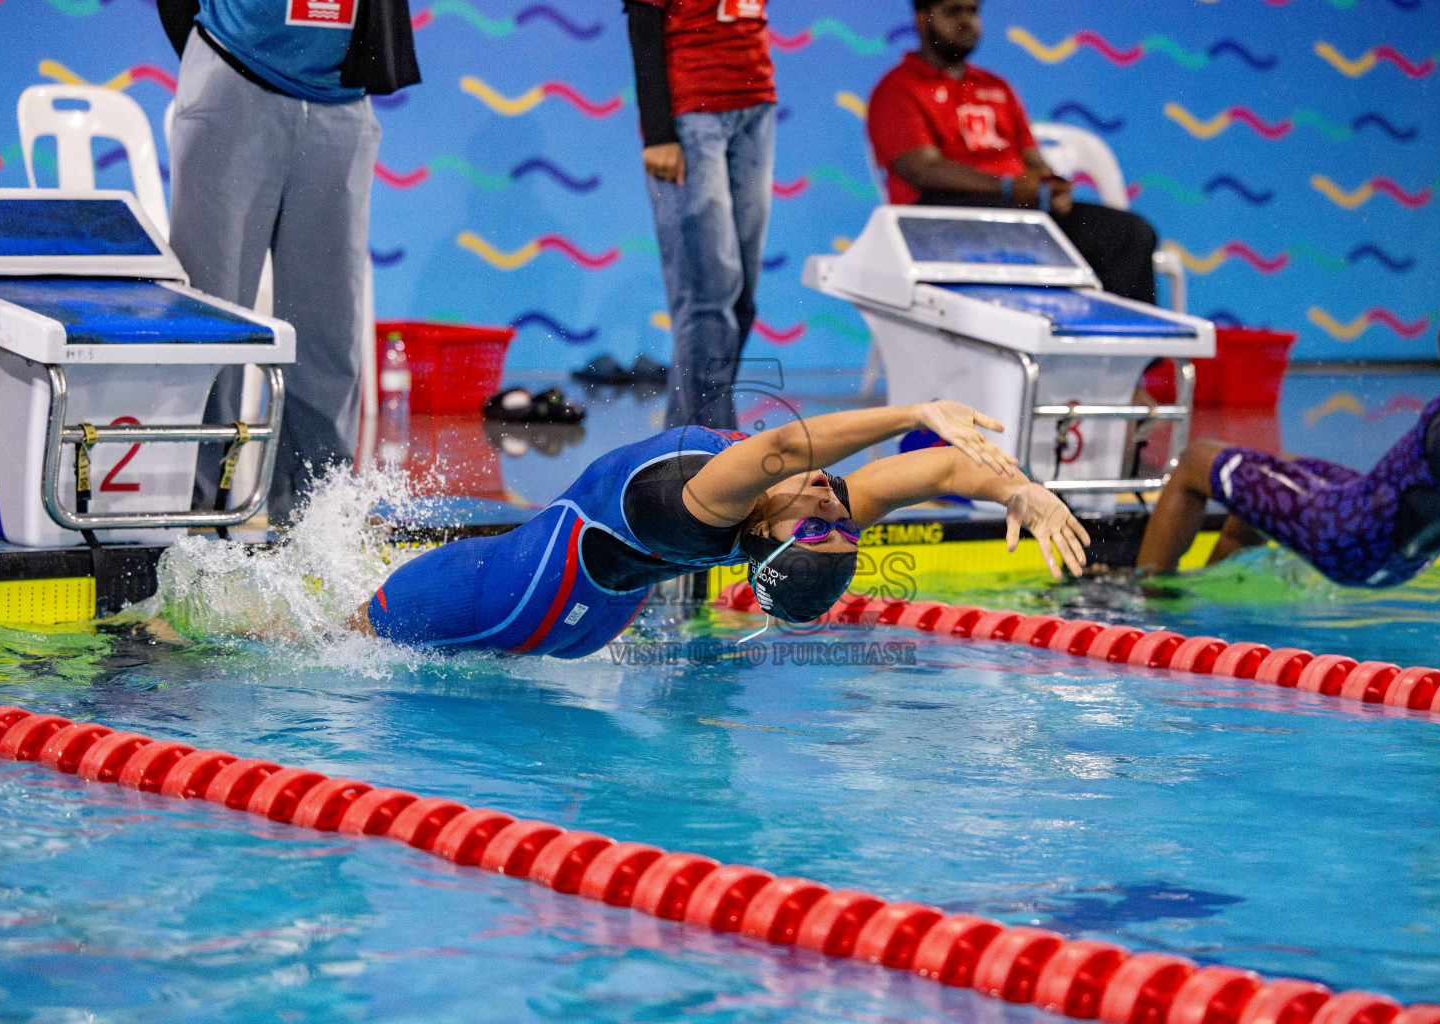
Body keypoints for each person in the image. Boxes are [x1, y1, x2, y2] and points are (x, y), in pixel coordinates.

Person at [353, 401, 1091, 655]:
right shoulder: (800, 506)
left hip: (514, 597)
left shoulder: (701, 508)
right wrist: (1022, 490)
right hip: (595, 610)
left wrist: (912, 415)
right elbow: (943, 474)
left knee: (341, 635)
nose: (832, 504)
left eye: (817, 526)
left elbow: (779, 447)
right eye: (843, 520)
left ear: (766, 540)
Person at [1136, 206, 1440, 586]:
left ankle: (1149, 604)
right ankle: (1215, 588)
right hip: (1394, 555)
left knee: (1194, 462)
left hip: (1348, 531)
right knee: (1271, 469)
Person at [157, 0, 419, 523]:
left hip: (341, 99)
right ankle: (190, 519)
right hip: (235, 74)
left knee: (327, 338)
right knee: (212, 326)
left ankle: (311, 524)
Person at [866, 0, 1159, 305]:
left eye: (973, 11)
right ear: (922, 19)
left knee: (1129, 232)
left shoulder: (997, 87)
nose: (967, 20)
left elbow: (1031, 157)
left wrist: (1052, 184)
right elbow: (922, 169)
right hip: (943, 219)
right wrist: (1008, 188)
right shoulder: (897, 88)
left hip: (1020, 210)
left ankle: (1131, 351)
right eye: (953, 11)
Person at [623, 0, 777, 430]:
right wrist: (657, 132)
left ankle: (686, 434)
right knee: (709, 295)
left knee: (741, 297)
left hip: (756, 104)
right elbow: (643, 19)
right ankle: (709, 445)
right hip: (693, 113)